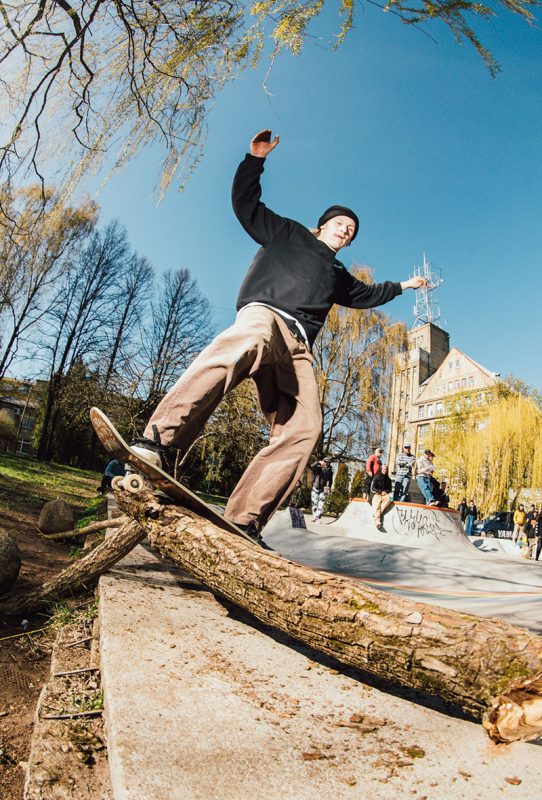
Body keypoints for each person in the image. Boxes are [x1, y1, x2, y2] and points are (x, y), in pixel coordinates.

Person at [129, 129, 427, 545]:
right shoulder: (287, 232)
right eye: (342, 224)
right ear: (323, 224)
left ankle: (245, 519)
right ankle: (158, 440)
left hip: (299, 346)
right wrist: (255, 160)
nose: (346, 232)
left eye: (352, 232)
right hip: (265, 316)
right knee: (239, 346)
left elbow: (368, 295)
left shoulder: (339, 275)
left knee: (305, 427)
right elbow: (245, 205)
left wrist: (405, 286)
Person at [310, 457, 333, 523]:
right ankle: (314, 516)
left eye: (328, 462)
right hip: (315, 487)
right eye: (326, 462)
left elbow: (330, 480)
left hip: (323, 489)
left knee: (321, 504)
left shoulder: (330, 470)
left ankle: (317, 517)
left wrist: (329, 488)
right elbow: (311, 466)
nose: (327, 463)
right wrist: (318, 461)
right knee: (315, 503)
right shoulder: (318, 467)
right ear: (323, 461)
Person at [371, 464, 392, 530]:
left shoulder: (388, 479)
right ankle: (377, 522)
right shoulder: (376, 477)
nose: (385, 471)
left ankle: (376, 514)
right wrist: (380, 492)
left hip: (385, 495)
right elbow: (373, 488)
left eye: (386, 469)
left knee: (389, 499)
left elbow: (390, 489)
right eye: (383, 469)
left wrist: (385, 492)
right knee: (377, 506)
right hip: (377, 494)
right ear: (381, 469)